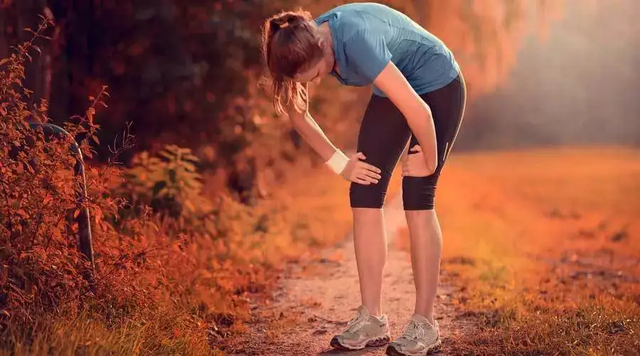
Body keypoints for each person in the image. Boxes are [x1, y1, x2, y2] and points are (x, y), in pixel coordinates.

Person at [261, 2, 466, 355]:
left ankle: (425, 324)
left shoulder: (357, 39)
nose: (312, 83)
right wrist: (341, 164)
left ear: (324, 47)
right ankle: (372, 318)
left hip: (437, 85)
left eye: (314, 75)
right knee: (364, 188)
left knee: (417, 194)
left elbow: (419, 110)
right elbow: (298, 114)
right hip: (396, 88)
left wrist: (430, 161)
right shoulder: (296, 45)